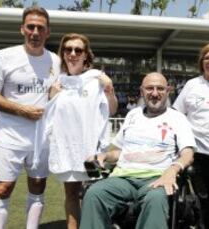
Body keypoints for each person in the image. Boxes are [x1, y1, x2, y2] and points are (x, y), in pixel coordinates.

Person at [79, 72, 197, 229]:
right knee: (94, 194)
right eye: (149, 88)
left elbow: (188, 153)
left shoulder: (178, 118)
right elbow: (120, 151)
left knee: (155, 199)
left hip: (156, 177)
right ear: (142, 91)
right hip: (123, 178)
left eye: (160, 88)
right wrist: (104, 155)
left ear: (168, 91)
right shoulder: (132, 115)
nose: (155, 93)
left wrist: (173, 169)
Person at [0, 7, 60, 229]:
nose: (35, 32)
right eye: (31, 27)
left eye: (40, 28)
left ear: (47, 32)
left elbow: (55, 95)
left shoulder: (55, 60)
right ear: (22, 29)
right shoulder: (5, 56)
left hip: (41, 138)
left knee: (38, 186)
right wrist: (21, 110)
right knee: (2, 189)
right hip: (10, 135)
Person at [45, 33, 118, 229]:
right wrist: (52, 96)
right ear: (63, 53)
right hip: (67, 151)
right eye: (68, 49)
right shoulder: (57, 84)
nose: (73, 53)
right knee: (70, 194)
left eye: (78, 50)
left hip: (90, 152)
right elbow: (49, 119)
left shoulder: (96, 80)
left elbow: (111, 110)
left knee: (93, 196)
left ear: (86, 55)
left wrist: (110, 92)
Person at [173, 41, 209, 229]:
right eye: (208, 58)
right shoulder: (191, 84)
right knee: (200, 200)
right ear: (201, 62)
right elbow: (177, 114)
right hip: (196, 154)